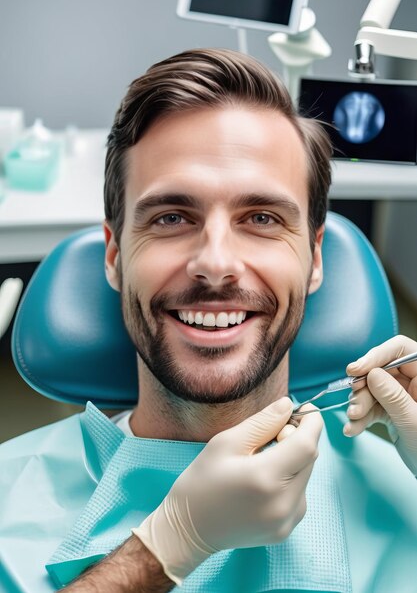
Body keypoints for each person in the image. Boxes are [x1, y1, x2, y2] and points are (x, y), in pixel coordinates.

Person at [1, 48, 417, 593]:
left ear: (315, 259)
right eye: (172, 217)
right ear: (114, 256)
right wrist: (165, 549)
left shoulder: (402, 488)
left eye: (262, 218)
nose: (216, 263)